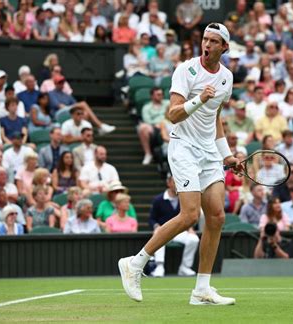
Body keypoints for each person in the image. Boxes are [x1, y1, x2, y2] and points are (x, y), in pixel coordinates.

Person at [118, 23, 239, 305]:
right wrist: (199, 98)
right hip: (183, 147)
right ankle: (134, 264)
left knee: (217, 216)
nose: (206, 45)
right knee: (189, 215)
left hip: (209, 150)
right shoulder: (186, 70)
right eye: (204, 40)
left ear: (225, 47)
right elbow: (173, 114)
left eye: (213, 41)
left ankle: (201, 289)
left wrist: (227, 155)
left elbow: (216, 118)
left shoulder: (227, 78)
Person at [138, 87, 169, 165]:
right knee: (142, 127)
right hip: (155, 127)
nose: (160, 96)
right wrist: (158, 124)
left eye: (162, 94)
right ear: (152, 96)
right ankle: (148, 154)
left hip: (169, 124)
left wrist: (163, 123)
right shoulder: (146, 107)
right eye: (158, 94)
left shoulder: (168, 103)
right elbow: (147, 120)